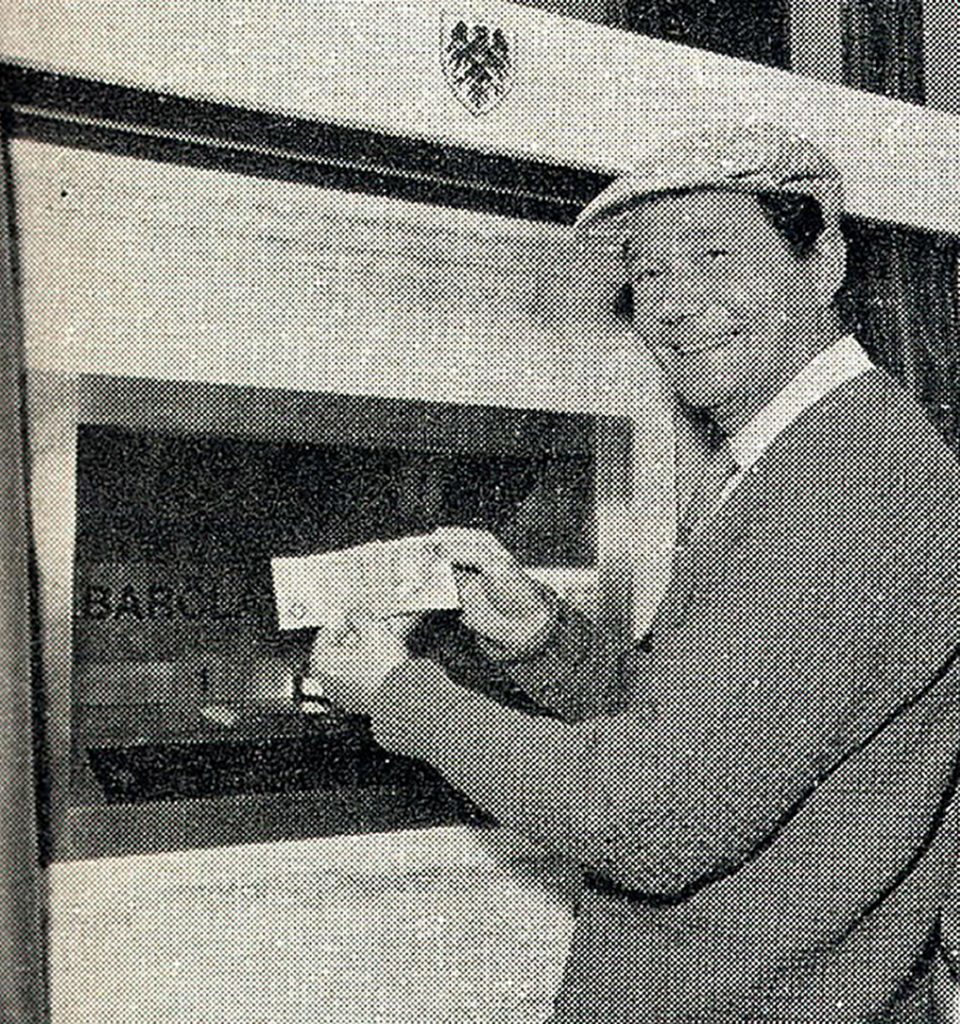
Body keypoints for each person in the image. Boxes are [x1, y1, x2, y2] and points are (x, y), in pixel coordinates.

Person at [310, 123, 960, 1022]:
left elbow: (654, 821)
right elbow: (698, 727)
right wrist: (543, 639)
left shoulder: (855, 481)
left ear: (824, 263)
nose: (674, 304)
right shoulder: (787, 456)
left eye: (715, 253)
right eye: (649, 273)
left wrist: (398, 697)